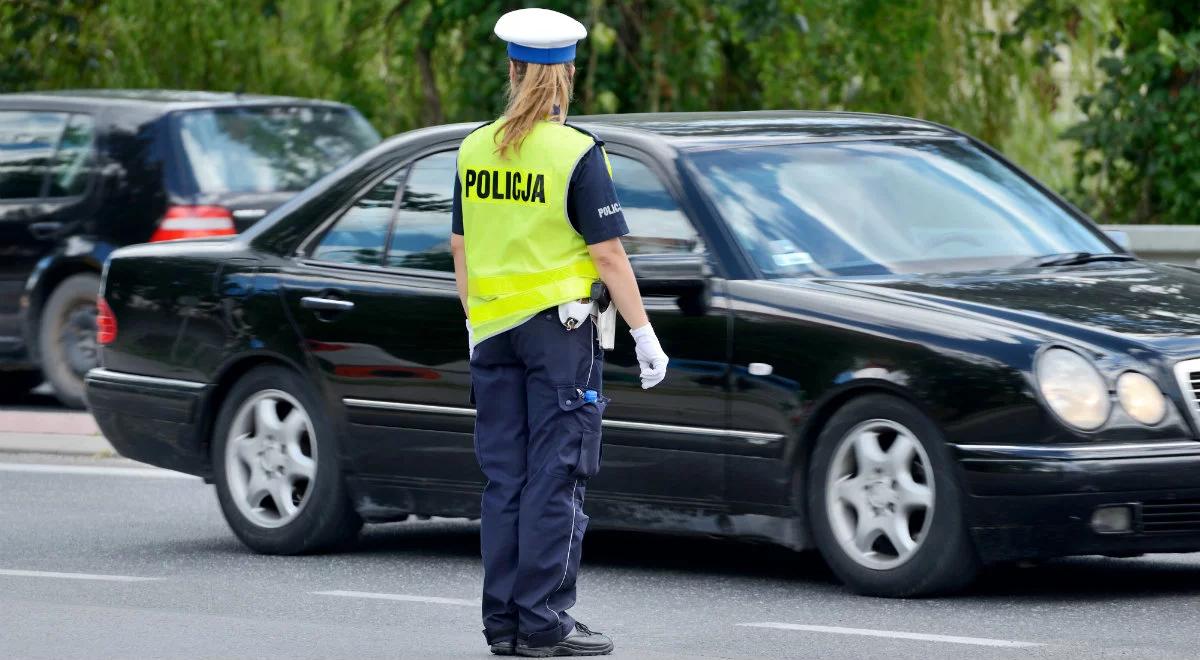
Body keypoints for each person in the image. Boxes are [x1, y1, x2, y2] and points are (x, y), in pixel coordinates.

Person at [449, 7, 669, 658]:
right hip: (558, 336)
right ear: (565, 77)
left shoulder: (472, 148)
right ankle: (543, 624)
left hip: (492, 333)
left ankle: (504, 626)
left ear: (512, 71)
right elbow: (608, 256)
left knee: (506, 480)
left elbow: (460, 248)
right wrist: (644, 332)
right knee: (555, 475)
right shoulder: (576, 153)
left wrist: (473, 320)